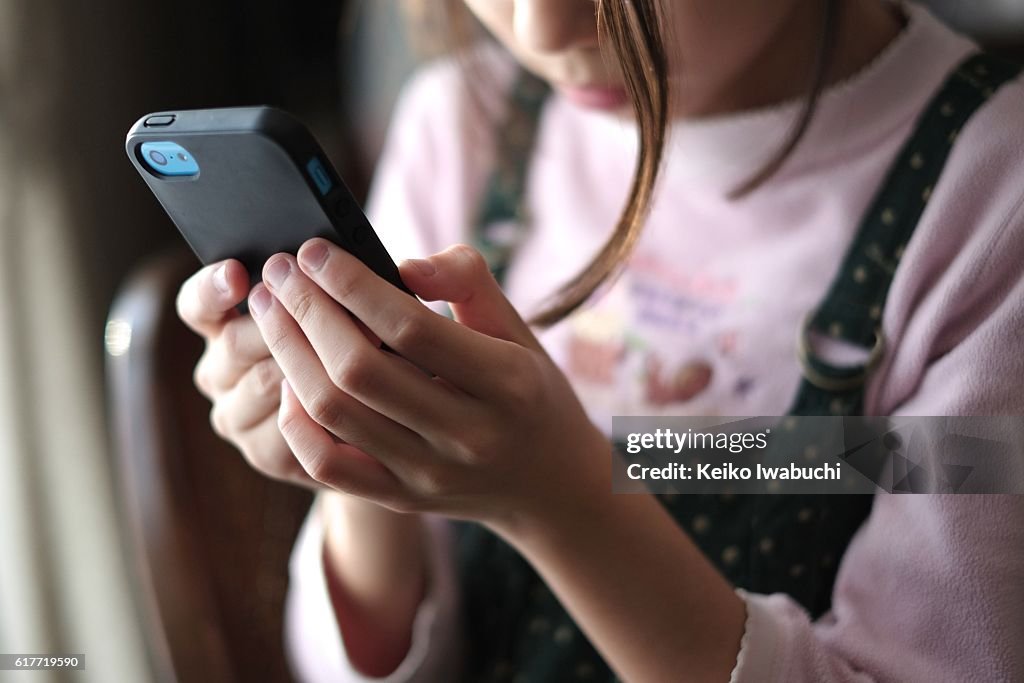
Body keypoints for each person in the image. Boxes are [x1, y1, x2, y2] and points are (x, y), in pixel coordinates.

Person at [175, 0, 1024, 681]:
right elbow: (345, 659)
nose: (544, 28)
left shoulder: (989, 200)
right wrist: (361, 442)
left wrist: (560, 500)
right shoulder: (465, 130)